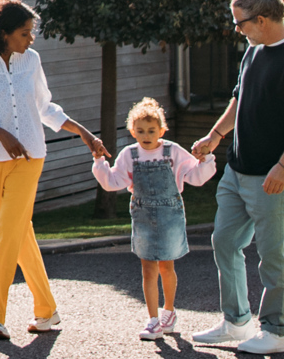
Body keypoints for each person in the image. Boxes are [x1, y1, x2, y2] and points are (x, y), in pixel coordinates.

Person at [186, 0, 284, 355]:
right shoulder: (253, 52)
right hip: (238, 169)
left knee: (272, 254)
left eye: (240, 23)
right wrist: (215, 137)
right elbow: (239, 98)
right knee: (225, 241)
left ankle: (274, 331)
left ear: (263, 19)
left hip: (273, 176)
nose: (237, 30)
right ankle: (236, 322)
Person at [0, 0, 104, 340]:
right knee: (20, 234)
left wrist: (83, 132)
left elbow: (45, 107)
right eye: (24, 32)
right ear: (3, 31)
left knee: (7, 235)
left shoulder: (31, 60)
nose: (30, 38)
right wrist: (2, 135)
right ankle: (47, 311)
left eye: (31, 32)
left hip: (29, 157)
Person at [91, 97, 217, 341]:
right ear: (132, 131)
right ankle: (152, 320)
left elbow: (195, 176)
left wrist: (206, 160)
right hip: (143, 217)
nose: (146, 135)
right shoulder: (130, 154)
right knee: (148, 269)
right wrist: (99, 162)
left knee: (166, 267)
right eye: (140, 131)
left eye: (151, 130)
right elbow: (113, 181)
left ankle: (168, 311)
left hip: (170, 215)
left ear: (161, 130)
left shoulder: (172, 152)